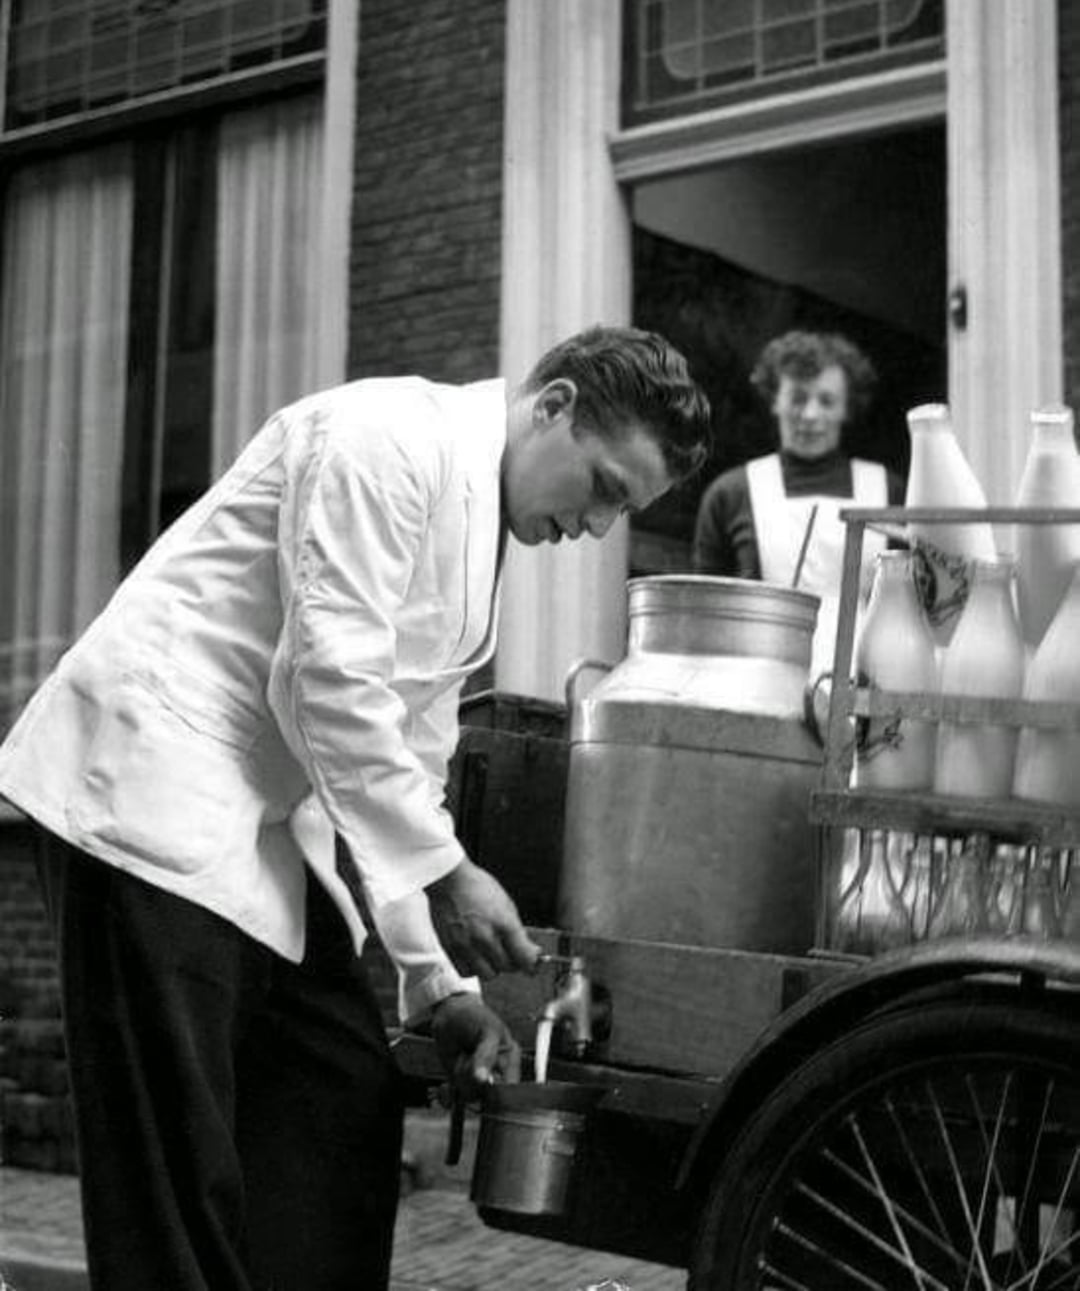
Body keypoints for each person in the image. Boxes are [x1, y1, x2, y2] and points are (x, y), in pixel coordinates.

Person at [0, 324, 711, 1291]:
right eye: (604, 488)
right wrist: (448, 873)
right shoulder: (383, 438)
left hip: (251, 829)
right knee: (176, 1175)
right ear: (554, 407)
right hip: (143, 792)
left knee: (338, 1095)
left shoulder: (476, 541)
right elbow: (328, 681)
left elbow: (408, 762)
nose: (595, 527)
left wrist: (439, 988)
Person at [693, 329, 903, 677]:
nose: (810, 414)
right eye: (797, 398)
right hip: (759, 684)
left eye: (826, 400)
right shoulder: (731, 494)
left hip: (867, 690)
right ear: (775, 399)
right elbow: (705, 616)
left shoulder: (887, 491)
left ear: (846, 408)